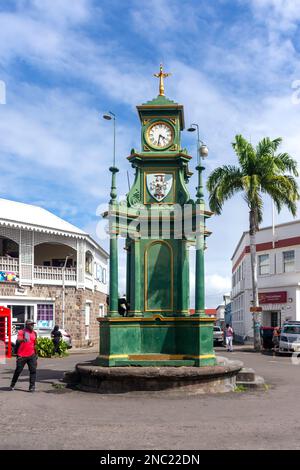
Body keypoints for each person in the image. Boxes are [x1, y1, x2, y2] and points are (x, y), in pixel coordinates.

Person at [10, 319, 37, 392]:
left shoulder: (34, 333)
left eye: (33, 324)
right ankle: (13, 383)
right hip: (22, 356)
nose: (32, 326)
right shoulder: (22, 332)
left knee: (33, 370)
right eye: (31, 324)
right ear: (27, 325)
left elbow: (35, 344)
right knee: (18, 370)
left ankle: (32, 386)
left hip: (32, 355)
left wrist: (36, 354)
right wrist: (23, 340)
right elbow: (18, 340)